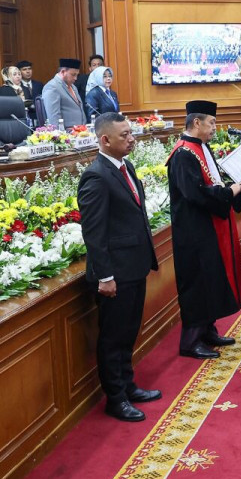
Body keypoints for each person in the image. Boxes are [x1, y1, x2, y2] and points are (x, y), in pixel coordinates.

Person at [77, 112, 161, 422]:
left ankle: (128, 385)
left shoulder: (127, 167)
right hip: (115, 274)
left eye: (131, 133)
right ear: (105, 140)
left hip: (134, 266)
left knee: (128, 332)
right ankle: (115, 398)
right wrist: (106, 276)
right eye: (124, 135)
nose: (131, 139)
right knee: (112, 337)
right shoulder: (96, 176)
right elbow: (94, 234)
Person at [168, 100, 241, 359]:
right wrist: (228, 193)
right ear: (197, 122)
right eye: (211, 123)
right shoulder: (182, 154)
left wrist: (229, 189)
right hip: (193, 231)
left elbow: (212, 181)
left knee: (210, 278)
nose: (215, 127)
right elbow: (194, 194)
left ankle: (207, 330)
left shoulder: (200, 148)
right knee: (197, 283)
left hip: (208, 227)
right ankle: (190, 341)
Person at [42, 58, 87, 127]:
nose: (76, 78)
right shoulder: (52, 87)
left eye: (77, 75)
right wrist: (60, 136)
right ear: (63, 72)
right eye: (73, 74)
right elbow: (54, 117)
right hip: (66, 134)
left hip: (80, 132)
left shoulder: (73, 86)